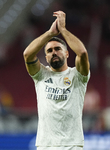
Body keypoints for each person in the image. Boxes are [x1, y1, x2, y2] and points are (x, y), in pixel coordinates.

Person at [23, 11, 90, 150]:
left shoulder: (77, 75)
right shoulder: (41, 75)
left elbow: (82, 53)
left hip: (72, 145)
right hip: (45, 145)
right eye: (49, 51)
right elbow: (27, 54)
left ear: (67, 53)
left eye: (58, 49)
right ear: (46, 58)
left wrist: (63, 30)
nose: (54, 52)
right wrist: (50, 33)